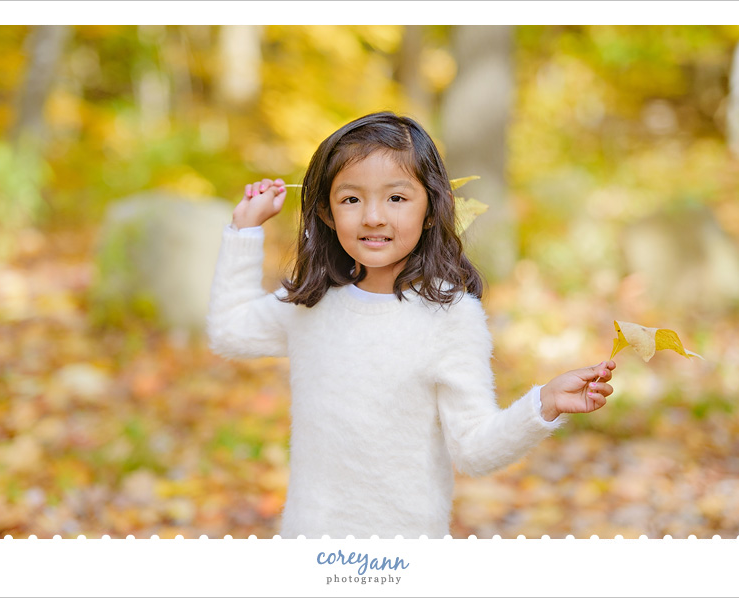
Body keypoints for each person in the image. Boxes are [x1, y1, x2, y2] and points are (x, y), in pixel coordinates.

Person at [207, 111, 615, 539]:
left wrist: (543, 403)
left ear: (430, 210)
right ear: (327, 213)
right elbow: (230, 332)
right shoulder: (312, 301)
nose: (373, 217)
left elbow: (474, 448)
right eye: (351, 199)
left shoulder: (450, 317)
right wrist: (244, 230)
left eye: (396, 198)